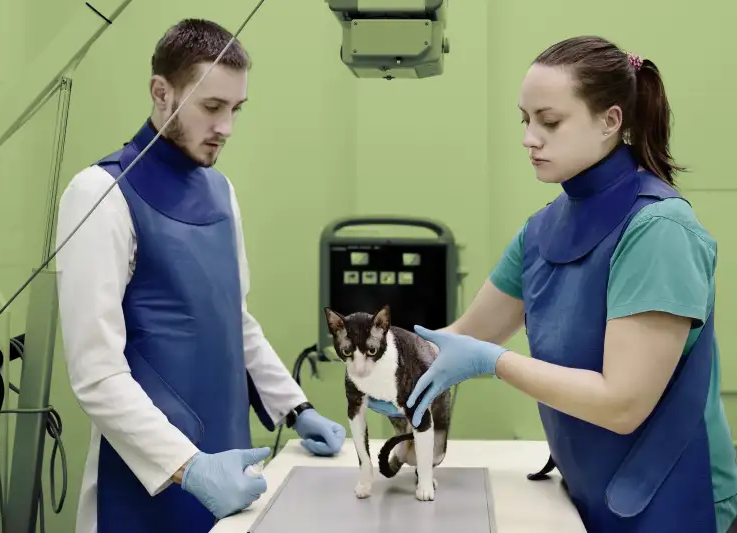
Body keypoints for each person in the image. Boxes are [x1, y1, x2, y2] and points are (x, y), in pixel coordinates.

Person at [370, 35, 737, 532]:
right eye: (525, 119)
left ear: (611, 121)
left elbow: (623, 403)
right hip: (588, 492)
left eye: (550, 121)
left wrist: (495, 363)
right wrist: (396, 370)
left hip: (676, 500)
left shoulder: (659, 231)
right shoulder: (542, 230)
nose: (529, 137)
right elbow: (465, 338)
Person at [55, 18, 346, 533]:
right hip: (148, 484)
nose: (226, 127)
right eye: (212, 107)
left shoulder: (221, 193)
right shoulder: (99, 194)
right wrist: (188, 468)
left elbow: (232, 320)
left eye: (236, 109)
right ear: (161, 92)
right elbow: (96, 373)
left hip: (231, 473)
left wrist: (295, 408)